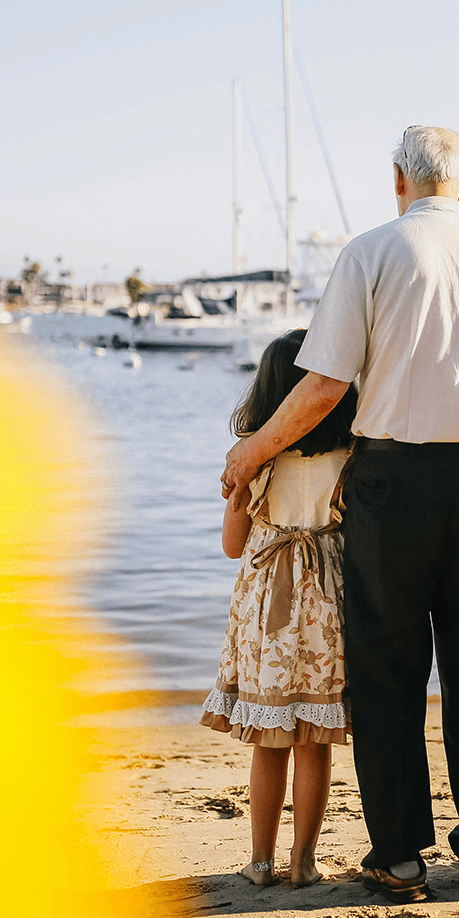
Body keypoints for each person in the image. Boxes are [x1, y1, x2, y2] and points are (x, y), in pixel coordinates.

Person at [220, 126, 459, 903]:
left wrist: (253, 450)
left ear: (399, 179)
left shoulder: (369, 251)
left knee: (390, 676)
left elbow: (324, 386)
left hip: (391, 484)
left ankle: (398, 856)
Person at [200, 329, 358, 888]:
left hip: (267, 604)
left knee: (269, 744)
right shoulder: (351, 456)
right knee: (314, 741)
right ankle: (304, 862)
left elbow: (232, 546)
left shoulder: (253, 461)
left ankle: (261, 861)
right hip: (325, 604)